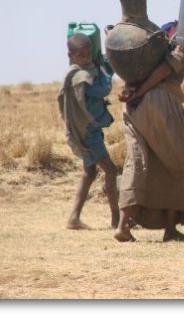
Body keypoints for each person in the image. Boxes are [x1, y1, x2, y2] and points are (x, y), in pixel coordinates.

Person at [114, 38, 184, 242]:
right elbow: (165, 70)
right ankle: (170, 228)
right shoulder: (180, 47)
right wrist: (141, 92)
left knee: (137, 161)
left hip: (132, 106)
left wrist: (134, 92)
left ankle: (123, 225)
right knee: (178, 164)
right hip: (161, 104)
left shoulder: (142, 54)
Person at [58, 33, 119, 230]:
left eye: (88, 54)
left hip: (87, 131)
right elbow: (103, 89)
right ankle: (116, 220)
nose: (86, 58)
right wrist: (105, 69)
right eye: (81, 55)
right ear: (71, 55)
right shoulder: (81, 77)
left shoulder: (81, 72)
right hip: (88, 134)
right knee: (111, 170)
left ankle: (73, 218)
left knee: (89, 173)